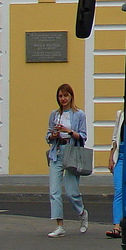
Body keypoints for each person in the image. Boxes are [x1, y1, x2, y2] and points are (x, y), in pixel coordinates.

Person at [46, 83, 88, 238]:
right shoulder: (54, 114)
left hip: (72, 153)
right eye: (60, 96)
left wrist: (69, 131)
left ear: (71, 96)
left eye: (65, 95)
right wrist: (54, 135)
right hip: (57, 152)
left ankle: (82, 213)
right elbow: (47, 137)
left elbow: (83, 136)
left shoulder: (79, 115)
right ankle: (59, 225)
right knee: (54, 191)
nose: (63, 99)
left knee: (71, 192)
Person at [106, 107, 125, 238]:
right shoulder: (121, 114)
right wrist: (111, 157)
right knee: (119, 189)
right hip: (121, 156)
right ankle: (117, 226)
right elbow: (115, 138)